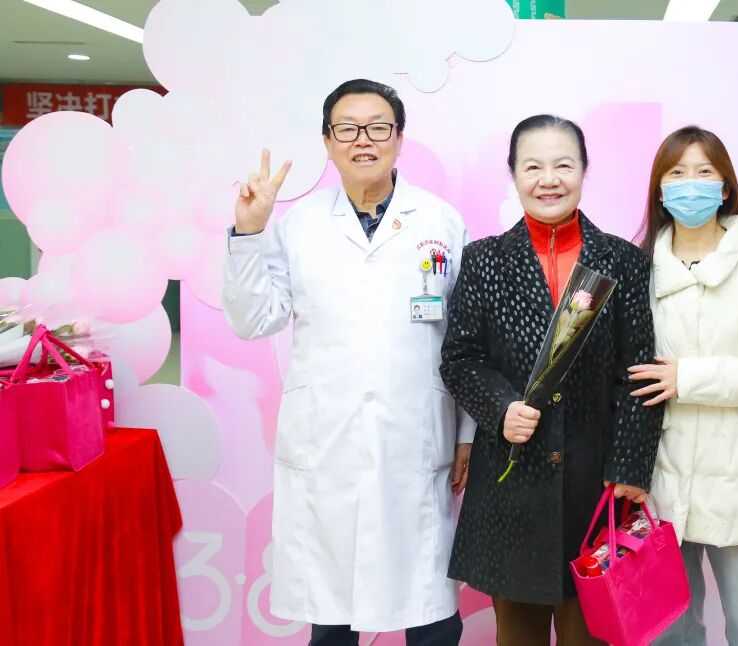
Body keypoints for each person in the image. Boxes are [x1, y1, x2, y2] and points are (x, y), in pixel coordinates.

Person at [222, 78, 474, 646]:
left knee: (430, 610)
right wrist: (249, 231)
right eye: (348, 129)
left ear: (399, 139)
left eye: (378, 127)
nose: (364, 140)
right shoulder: (298, 225)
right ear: (328, 142)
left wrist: (467, 434)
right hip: (327, 439)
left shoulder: (440, 222)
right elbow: (254, 319)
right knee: (332, 611)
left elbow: (465, 341)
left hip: (415, 438)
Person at [439, 114, 663, 646]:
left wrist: (630, 467)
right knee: (518, 636)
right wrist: (500, 408)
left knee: (593, 635)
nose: (549, 180)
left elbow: (638, 371)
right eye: (532, 167)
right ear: (514, 174)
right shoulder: (484, 260)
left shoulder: (623, 261)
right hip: (511, 487)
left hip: (596, 486)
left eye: (563, 165)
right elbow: (460, 358)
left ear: (584, 170)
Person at [630, 126, 738, 646]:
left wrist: (687, 378)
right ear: (660, 188)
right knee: (669, 630)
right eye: (677, 173)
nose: (691, 184)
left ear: (725, 187)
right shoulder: (637, 268)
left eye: (704, 172)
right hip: (660, 482)